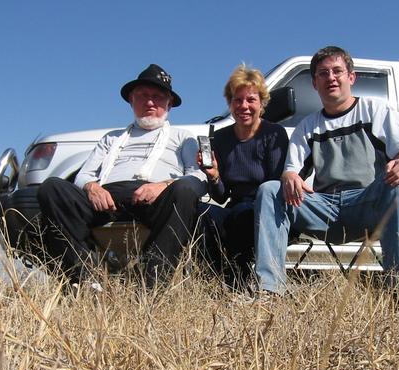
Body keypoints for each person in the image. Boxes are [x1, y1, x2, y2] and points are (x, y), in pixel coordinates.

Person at [254, 45, 399, 306]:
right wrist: (289, 177)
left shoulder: (375, 111)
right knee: (270, 190)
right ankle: (270, 291)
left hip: (367, 205)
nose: (330, 77)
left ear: (351, 77)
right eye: (323, 73)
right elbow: (291, 170)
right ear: (314, 83)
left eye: (337, 71)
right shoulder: (307, 127)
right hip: (325, 209)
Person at [37, 64, 206, 290]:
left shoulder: (183, 137)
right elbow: (85, 173)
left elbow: (196, 176)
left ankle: (152, 284)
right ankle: (84, 278)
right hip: (107, 197)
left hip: (155, 198)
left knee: (185, 190)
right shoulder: (111, 138)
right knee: (52, 187)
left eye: (157, 97)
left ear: (169, 104)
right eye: (143, 96)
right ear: (131, 100)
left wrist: (162, 186)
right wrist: (92, 188)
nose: (149, 102)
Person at [198, 65, 289, 290]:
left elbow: (276, 185)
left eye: (251, 100)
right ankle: (218, 276)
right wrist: (214, 176)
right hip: (233, 206)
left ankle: (239, 279)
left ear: (262, 103)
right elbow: (220, 197)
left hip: (266, 208)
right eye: (237, 100)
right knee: (200, 213)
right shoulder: (219, 138)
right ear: (230, 104)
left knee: (242, 216)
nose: (244, 106)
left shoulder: (274, 134)